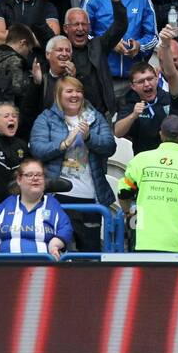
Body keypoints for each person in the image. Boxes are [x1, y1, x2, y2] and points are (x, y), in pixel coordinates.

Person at [29, 76, 117, 252]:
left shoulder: (95, 118)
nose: (75, 95)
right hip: (56, 196)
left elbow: (110, 146)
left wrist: (89, 137)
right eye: (69, 91)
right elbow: (37, 149)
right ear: (58, 95)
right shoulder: (46, 118)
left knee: (90, 253)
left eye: (78, 91)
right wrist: (63, 144)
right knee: (56, 252)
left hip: (90, 195)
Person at [118, 115, 178, 254]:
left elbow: (124, 192)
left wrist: (128, 212)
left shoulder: (140, 160)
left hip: (143, 240)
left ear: (160, 134)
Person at [0, 157, 73, 257]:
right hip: (6, 266)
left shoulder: (52, 204)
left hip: (42, 268)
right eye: (29, 175)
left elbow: (66, 228)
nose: (35, 178)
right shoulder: (8, 203)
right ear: (19, 180)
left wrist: (55, 244)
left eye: (39, 175)